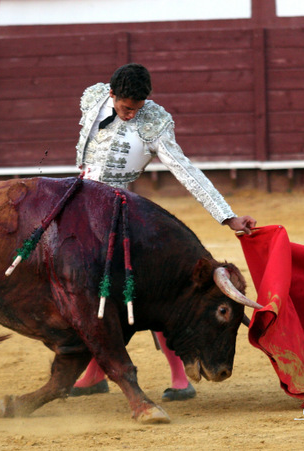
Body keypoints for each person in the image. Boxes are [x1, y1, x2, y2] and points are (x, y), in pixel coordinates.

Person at [71, 63, 256, 401]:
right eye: (127, 108)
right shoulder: (94, 97)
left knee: (151, 293)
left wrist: (227, 217)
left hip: (117, 212)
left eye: (137, 109)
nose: (131, 116)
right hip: (77, 204)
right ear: (111, 95)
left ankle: (179, 378)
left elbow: (187, 172)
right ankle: (93, 373)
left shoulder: (154, 123)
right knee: (93, 292)